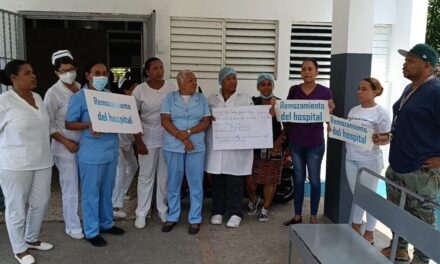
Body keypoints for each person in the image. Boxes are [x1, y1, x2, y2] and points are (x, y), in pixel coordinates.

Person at [380, 43, 440, 264]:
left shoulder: (436, 92)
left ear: (426, 65)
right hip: (398, 165)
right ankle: (399, 249)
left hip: (421, 172)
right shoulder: (410, 89)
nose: (404, 64)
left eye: (410, 61)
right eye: (405, 60)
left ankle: (422, 260)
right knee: (397, 214)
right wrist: (388, 136)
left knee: (422, 221)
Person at [65, 61, 124, 247]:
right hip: (91, 153)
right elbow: (69, 123)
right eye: (97, 73)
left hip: (110, 150)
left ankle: (106, 223)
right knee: (91, 193)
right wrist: (88, 125)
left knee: (107, 191)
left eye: (105, 73)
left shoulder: (110, 96)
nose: (102, 76)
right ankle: (91, 230)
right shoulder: (79, 97)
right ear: (88, 75)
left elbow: (118, 118)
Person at [0, 60, 54, 264]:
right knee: (16, 207)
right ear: (14, 78)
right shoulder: (4, 101)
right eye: (27, 73)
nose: (33, 76)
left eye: (33, 72)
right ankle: (19, 249)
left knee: (40, 203)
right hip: (14, 164)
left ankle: (31, 239)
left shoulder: (38, 98)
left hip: (42, 161)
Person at [282, 58, 335, 226]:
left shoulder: (325, 92)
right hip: (296, 142)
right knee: (298, 180)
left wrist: (331, 117)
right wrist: (276, 110)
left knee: (314, 180)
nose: (307, 72)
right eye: (304, 69)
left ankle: (313, 216)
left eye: (310, 69)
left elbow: (329, 118)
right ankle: (297, 216)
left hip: (315, 144)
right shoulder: (294, 90)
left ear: (317, 72)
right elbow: (287, 112)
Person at [160, 70, 211, 234]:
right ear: (180, 83)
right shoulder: (169, 98)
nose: (194, 83)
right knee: (174, 183)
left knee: (195, 183)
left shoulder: (201, 98)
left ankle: (195, 219)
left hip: (196, 147)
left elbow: (206, 122)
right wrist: (182, 137)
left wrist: (188, 133)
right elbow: (165, 121)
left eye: (195, 80)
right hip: (173, 146)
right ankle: (172, 216)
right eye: (190, 80)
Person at [205, 67, 254, 228]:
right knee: (217, 181)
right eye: (229, 78)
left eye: (235, 78)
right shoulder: (211, 99)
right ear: (221, 81)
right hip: (216, 147)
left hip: (236, 148)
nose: (233, 81)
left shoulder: (244, 99)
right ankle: (217, 211)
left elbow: (254, 119)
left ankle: (235, 212)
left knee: (235, 181)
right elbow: (204, 119)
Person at [344, 77, 391, 244]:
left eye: (364, 89)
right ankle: (356, 226)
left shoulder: (381, 112)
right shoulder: (353, 110)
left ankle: (369, 232)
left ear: (375, 91)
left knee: (368, 197)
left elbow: (387, 138)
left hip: (370, 160)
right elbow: (347, 132)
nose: (359, 92)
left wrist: (380, 139)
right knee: (357, 194)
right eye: (358, 88)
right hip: (350, 158)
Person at [132, 57, 177, 228]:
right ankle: (141, 212)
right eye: (155, 68)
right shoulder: (140, 90)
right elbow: (134, 116)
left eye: (161, 67)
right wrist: (138, 141)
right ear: (147, 72)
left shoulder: (172, 87)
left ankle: (162, 208)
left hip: (168, 137)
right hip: (146, 137)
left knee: (164, 176)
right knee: (145, 175)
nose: (159, 71)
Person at [43, 50, 84, 240]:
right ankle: (72, 226)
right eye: (63, 70)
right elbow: (48, 123)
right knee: (70, 187)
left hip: (83, 145)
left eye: (71, 69)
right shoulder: (53, 93)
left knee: (84, 185)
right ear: (56, 73)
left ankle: (82, 219)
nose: (68, 73)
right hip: (64, 147)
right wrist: (66, 142)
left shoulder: (80, 86)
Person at [246, 73, 284, 222]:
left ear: (273, 86)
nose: (266, 87)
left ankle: (265, 208)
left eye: (269, 84)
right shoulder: (252, 103)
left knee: (271, 179)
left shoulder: (280, 103)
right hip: (254, 147)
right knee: (249, 179)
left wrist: (279, 142)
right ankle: (254, 200)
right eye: (263, 84)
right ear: (258, 87)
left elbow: (287, 127)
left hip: (274, 146)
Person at [112, 79, 139, 218]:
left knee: (133, 166)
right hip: (116, 141)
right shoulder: (119, 103)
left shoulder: (135, 103)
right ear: (126, 91)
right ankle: (115, 206)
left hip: (127, 141)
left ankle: (122, 192)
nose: (137, 90)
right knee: (120, 170)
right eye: (134, 88)